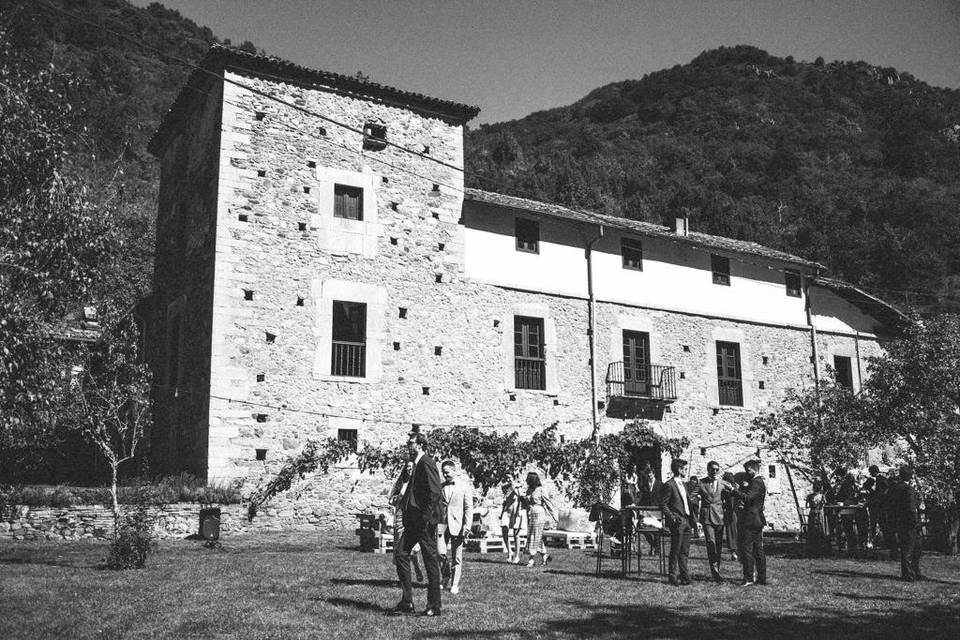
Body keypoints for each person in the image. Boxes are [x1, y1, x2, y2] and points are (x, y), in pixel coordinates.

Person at [389, 431, 443, 617]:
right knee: (401, 553)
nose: (408, 445)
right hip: (413, 521)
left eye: (411, 443)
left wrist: (425, 518)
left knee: (430, 562)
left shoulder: (427, 462)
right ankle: (407, 601)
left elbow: (435, 493)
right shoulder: (415, 464)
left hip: (423, 522)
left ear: (420, 445)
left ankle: (434, 605)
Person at [437, 460, 472, 595]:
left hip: (458, 524)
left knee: (457, 556)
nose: (445, 475)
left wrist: (466, 526)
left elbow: (469, 508)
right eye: (443, 473)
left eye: (447, 473)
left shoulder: (464, 487)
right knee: (440, 552)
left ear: (454, 471)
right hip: (442, 523)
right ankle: (445, 576)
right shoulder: (440, 486)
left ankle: (455, 583)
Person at [388, 461, 424, 583]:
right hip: (400, 518)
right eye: (407, 467)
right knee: (400, 549)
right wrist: (400, 494)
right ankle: (403, 579)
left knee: (414, 549)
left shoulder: (419, 483)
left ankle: (418, 569)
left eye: (411, 467)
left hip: (413, 518)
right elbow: (391, 500)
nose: (409, 469)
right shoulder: (401, 483)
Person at [659, 458, 693, 586]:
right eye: (684, 469)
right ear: (679, 470)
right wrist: (672, 517)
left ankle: (685, 576)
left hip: (687, 520)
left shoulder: (683, 484)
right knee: (675, 550)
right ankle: (672, 576)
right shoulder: (669, 484)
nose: (686, 471)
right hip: (678, 521)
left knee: (684, 551)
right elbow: (663, 504)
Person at [733, 459, 767, 586]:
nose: (747, 473)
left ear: (754, 469)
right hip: (757, 519)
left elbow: (748, 498)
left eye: (748, 470)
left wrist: (733, 491)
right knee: (758, 549)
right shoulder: (757, 482)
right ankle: (761, 577)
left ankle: (748, 578)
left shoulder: (756, 483)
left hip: (751, 520)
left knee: (747, 548)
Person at [696, 461, 731, 582]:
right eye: (712, 469)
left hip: (719, 517)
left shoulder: (723, 484)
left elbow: (731, 496)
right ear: (708, 470)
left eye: (717, 469)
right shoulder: (701, 483)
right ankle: (714, 568)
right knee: (711, 542)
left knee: (719, 545)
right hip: (707, 518)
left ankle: (717, 568)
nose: (715, 471)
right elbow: (692, 496)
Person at [890, 466, 923, 581]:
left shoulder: (895, 488)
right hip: (910, 522)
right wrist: (916, 521)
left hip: (899, 521)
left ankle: (912, 572)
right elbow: (911, 508)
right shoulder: (909, 489)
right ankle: (909, 573)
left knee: (908, 547)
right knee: (911, 548)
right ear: (910, 476)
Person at [520, 471, 553, 567]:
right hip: (530, 513)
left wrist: (554, 516)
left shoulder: (541, 490)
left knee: (534, 536)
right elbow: (526, 504)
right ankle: (545, 555)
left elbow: (548, 502)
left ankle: (531, 559)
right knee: (535, 535)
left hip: (539, 514)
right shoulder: (529, 490)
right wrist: (523, 499)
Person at [638, 464, 662, 555]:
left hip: (656, 510)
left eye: (650, 473)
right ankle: (653, 545)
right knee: (644, 529)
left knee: (656, 531)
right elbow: (641, 496)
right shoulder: (644, 485)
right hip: (647, 511)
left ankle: (657, 551)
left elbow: (662, 497)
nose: (649, 475)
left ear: (654, 474)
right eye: (648, 474)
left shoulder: (659, 484)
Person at [499, 481, 526, 563]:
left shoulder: (518, 485)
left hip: (516, 511)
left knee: (516, 533)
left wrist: (514, 486)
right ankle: (510, 551)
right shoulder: (505, 485)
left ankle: (517, 556)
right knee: (504, 528)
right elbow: (505, 494)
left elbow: (520, 496)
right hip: (507, 510)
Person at [805, 480, 828, 557]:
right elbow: (823, 505)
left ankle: (813, 547)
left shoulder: (810, 496)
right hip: (819, 514)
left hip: (812, 513)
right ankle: (820, 547)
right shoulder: (821, 496)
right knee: (819, 529)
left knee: (813, 530)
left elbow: (806, 506)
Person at [722, 471, 739, 561]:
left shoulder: (729, 490)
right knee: (733, 532)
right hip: (733, 513)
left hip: (731, 513)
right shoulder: (735, 488)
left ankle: (734, 552)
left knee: (731, 533)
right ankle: (735, 552)